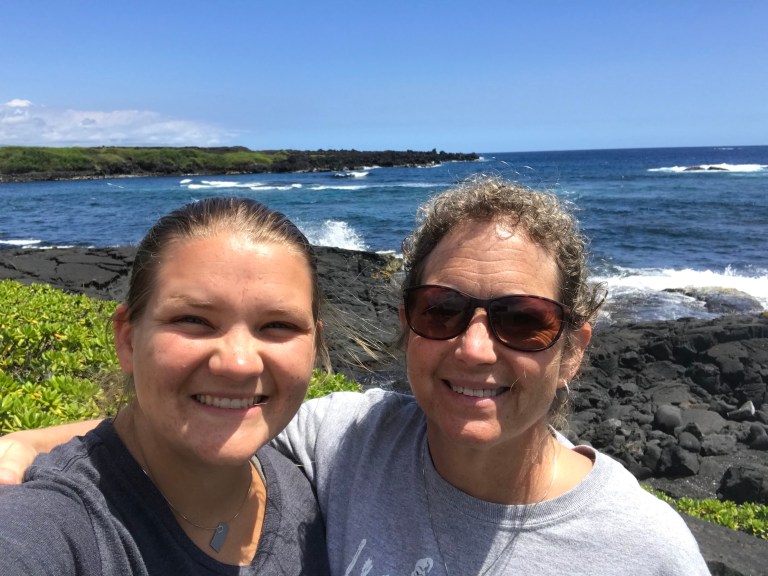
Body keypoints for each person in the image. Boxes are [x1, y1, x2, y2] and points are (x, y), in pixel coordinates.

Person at [0, 178, 709, 575]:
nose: (475, 349)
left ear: (574, 349)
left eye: (523, 321)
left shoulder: (644, 551)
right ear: (407, 324)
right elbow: (210, 418)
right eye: (442, 310)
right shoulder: (348, 439)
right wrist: (24, 447)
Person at [0, 198, 331, 574]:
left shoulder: (313, 472)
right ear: (128, 340)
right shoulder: (54, 521)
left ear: (315, 346)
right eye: (193, 320)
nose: (239, 364)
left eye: (279, 325)